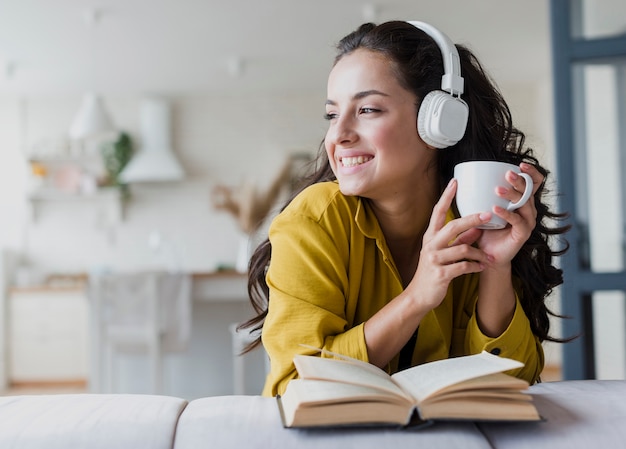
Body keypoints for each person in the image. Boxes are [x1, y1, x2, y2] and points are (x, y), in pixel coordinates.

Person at [240, 20, 570, 397]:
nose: (339, 134)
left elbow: (514, 384)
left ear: (440, 122)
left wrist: (495, 267)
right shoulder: (312, 220)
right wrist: (418, 296)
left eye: (367, 109)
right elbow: (294, 386)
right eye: (332, 114)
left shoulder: (474, 220)